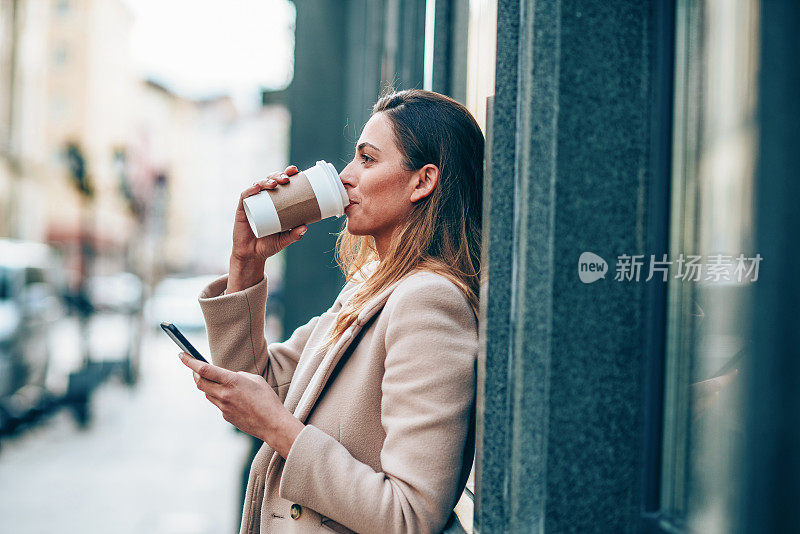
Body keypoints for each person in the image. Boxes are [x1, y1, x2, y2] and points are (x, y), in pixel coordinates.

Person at [178, 89, 484, 534]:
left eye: (367, 159)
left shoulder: (428, 302)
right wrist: (247, 262)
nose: (345, 176)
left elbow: (410, 515)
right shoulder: (369, 287)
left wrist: (279, 429)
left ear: (423, 181)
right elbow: (255, 382)